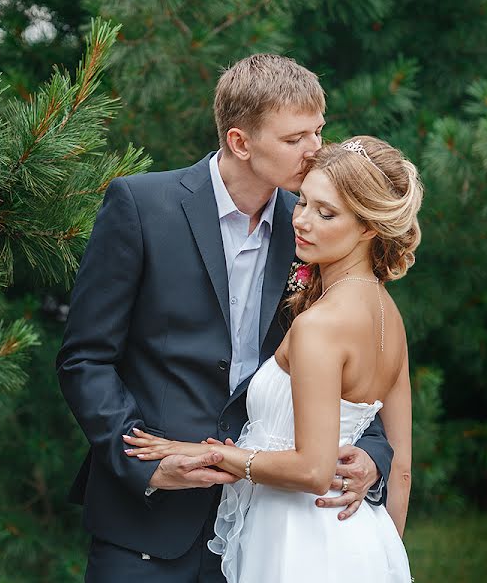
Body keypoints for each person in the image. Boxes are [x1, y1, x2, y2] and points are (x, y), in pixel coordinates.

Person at [56, 55, 394, 582]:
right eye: (294, 138)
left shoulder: (313, 229)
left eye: (318, 131)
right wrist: (146, 463)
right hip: (145, 522)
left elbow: (360, 356)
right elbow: (85, 358)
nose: (316, 151)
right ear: (240, 142)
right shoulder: (141, 207)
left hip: (266, 523)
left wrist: (373, 456)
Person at [123, 135, 422, 582]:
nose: (301, 221)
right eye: (302, 202)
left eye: (326, 213)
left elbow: (314, 470)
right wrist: (379, 556)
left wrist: (209, 455)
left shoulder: (319, 327)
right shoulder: (389, 316)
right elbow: (399, 472)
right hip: (361, 538)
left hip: (297, 545)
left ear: (368, 228)